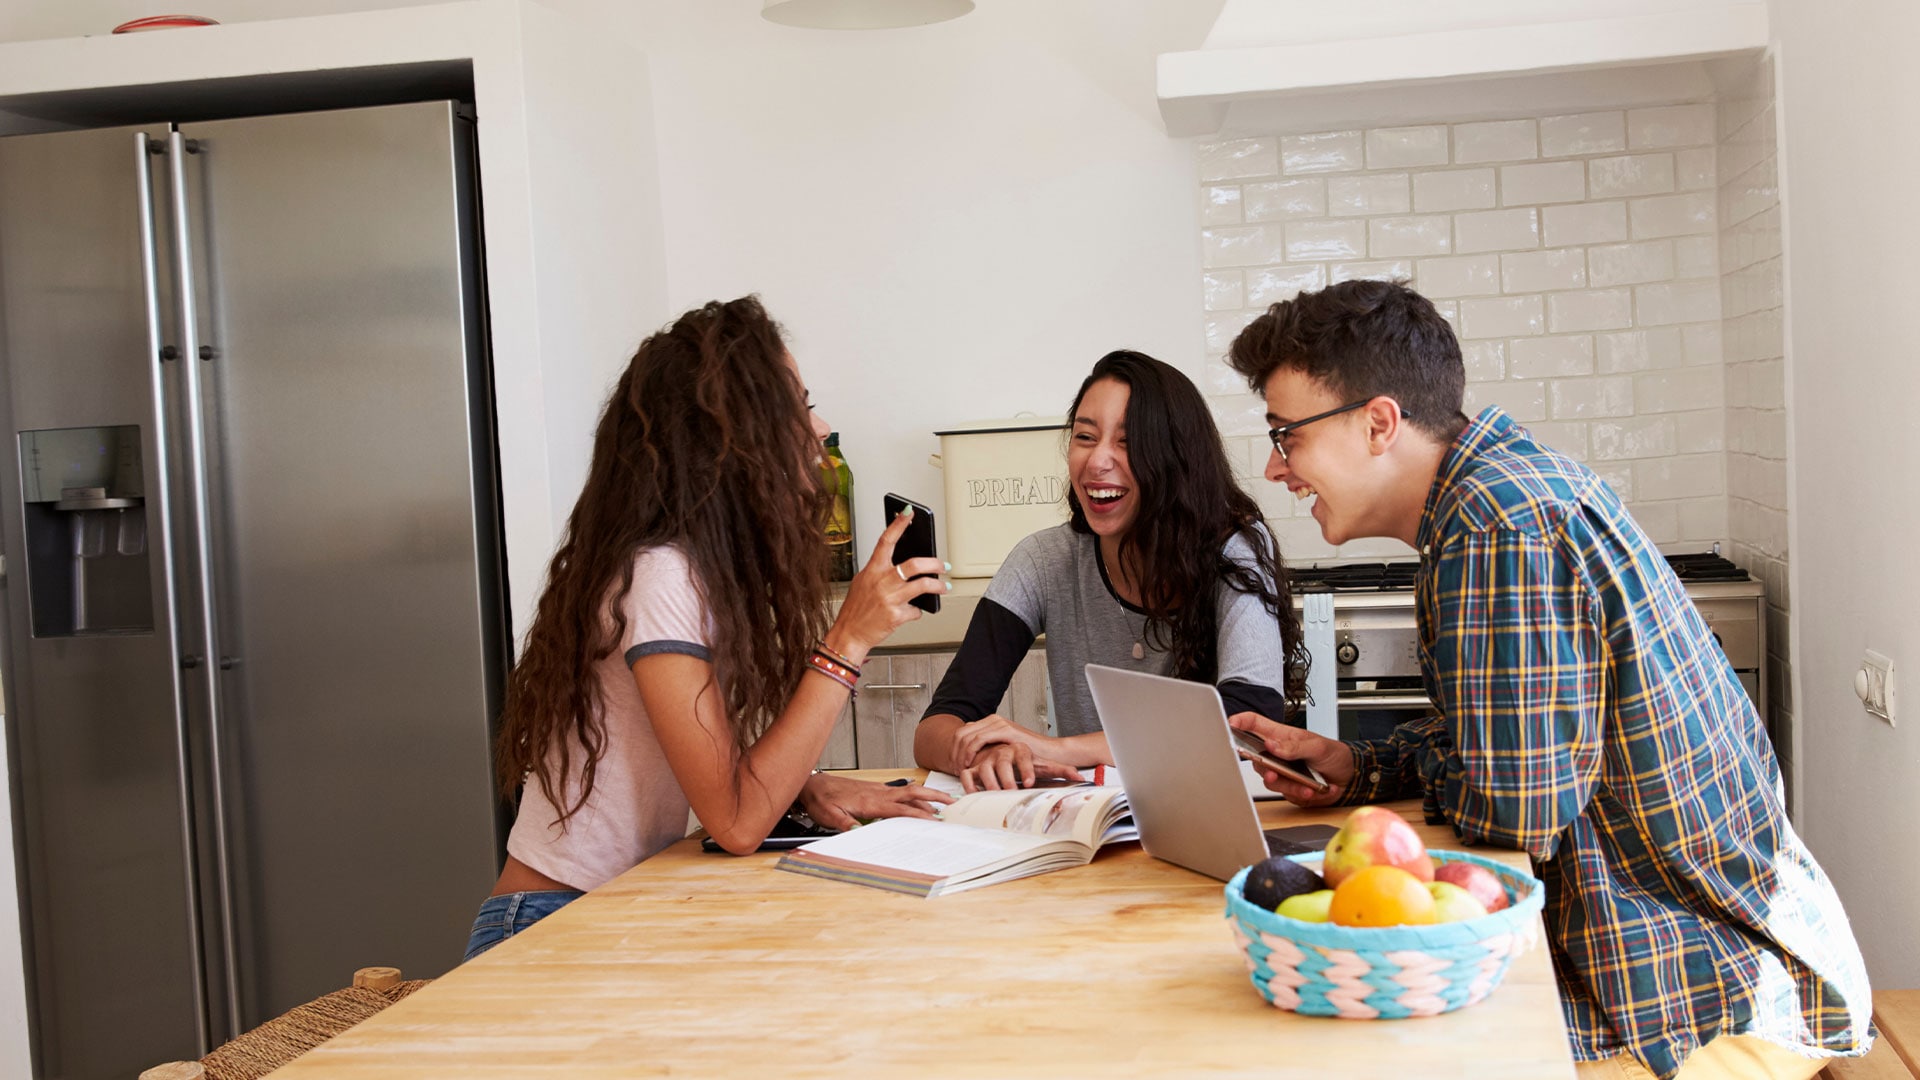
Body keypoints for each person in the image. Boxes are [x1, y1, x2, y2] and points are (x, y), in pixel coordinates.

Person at [1225, 279, 1872, 1079]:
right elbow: (1512, 750)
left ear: (1379, 423)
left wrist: (1416, 780)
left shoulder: (1498, 525)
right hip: (1680, 957)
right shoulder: (1494, 496)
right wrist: (1365, 767)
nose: (1274, 464)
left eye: (1286, 435)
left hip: (1693, 993)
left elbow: (1517, 815)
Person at [467, 296, 953, 960]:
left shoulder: (687, 569)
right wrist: (848, 639)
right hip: (547, 926)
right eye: (798, 407)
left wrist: (805, 787)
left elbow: (706, 773)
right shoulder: (661, 575)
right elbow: (736, 822)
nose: (820, 427)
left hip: (602, 912)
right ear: (729, 437)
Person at [913, 349, 1309, 792]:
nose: (1098, 461)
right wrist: (987, 750)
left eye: (1127, 442)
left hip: (1211, 812)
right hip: (1093, 824)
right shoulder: (1043, 561)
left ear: (1177, 458)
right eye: (1085, 437)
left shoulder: (1235, 551)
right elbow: (937, 726)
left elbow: (1249, 727)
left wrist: (1057, 749)